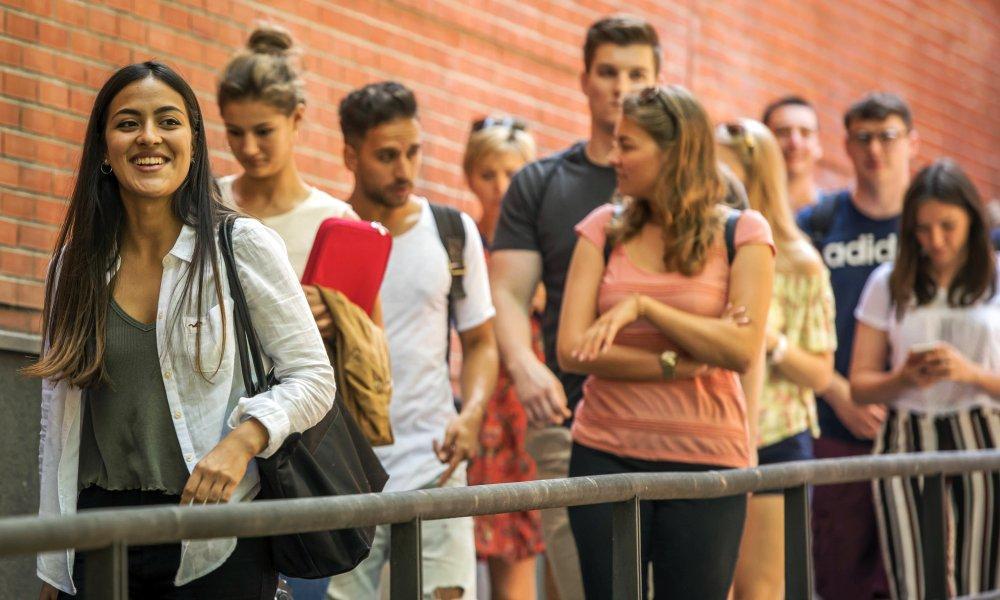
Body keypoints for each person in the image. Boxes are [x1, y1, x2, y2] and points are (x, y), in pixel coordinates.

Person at [29, 61, 336, 599]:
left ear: (193, 141)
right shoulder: (73, 268)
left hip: (218, 530)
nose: (149, 137)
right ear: (104, 146)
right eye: (128, 123)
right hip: (102, 538)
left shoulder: (241, 246)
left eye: (168, 121)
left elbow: (313, 378)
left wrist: (245, 438)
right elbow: (56, 423)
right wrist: (54, 564)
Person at [558, 85, 776, 599]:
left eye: (627, 145)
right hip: (604, 453)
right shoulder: (601, 229)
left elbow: (742, 350)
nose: (613, 157)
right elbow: (573, 350)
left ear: (675, 151)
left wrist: (644, 307)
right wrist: (680, 361)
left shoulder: (744, 232)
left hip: (708, 464)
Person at [490, 17, 661, 598]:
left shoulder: (689, 187)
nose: (622, 86)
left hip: (667, 411)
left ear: (659, 82)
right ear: (585, 79)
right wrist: (524, 364)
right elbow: (509, 293)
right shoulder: (540, 182)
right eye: (608, 72)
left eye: (637, 73)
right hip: (567, 411)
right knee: (588, 584)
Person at [326, 81, 499, 600]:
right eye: (387, 156)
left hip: (435, 465)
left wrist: (471, 415)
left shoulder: (451, 230)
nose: (405, 169)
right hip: (348, 474)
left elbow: (482, 342)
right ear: (350, 156)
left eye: (413, 152)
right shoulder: (329, 232)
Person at [214, 25, 364, 600]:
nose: (249, 148)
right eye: (234, 133)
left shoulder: (337, 220)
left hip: (302, 449)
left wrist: (338, 324)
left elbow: (363, 350)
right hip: (217, 433)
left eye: (263, 131)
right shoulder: (209, 201)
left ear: (298, 119)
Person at [850, 159, 1000, 600]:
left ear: (972, 219)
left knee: (984, 576)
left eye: (947, 226)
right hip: (907, 433)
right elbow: (859, 384)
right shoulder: (887, 282)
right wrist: (904, 377)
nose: (935, 240)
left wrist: (970, 373)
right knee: (913, 577)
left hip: (984, 432)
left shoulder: (996, 277)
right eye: (922, 229)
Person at [797, 92, 919, 600]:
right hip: (836, 426)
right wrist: (837, 392)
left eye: (888, 137)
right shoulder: (817, 224)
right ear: (845, 145)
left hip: (919, 430)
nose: (875, 151)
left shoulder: (936, 224)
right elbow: (786, 326)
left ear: (912, 142)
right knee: (837, 581)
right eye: (863, 138)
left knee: (919, 574)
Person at [717, 119, 836, 600]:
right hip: (707, 432)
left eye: (718, 166)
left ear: (751, 174)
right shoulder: (705, 248)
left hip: (774, 436)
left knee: (761, 590)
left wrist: (771, 342)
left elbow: (822, 373)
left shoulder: (800, 260)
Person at [461, 116, 544, 600]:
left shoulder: (541, 241)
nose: (500, 187)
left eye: (512, 173)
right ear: (470, 174)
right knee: (460, 549)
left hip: (527, 404)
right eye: (488, 173)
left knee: (522, 545)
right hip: (477, 399)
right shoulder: (463, 238)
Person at [762, 96, 824, 212]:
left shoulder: (838, 217)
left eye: (805, 133)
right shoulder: (742, 208)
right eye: (783, 132)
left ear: (818, 144)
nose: (795, 143)